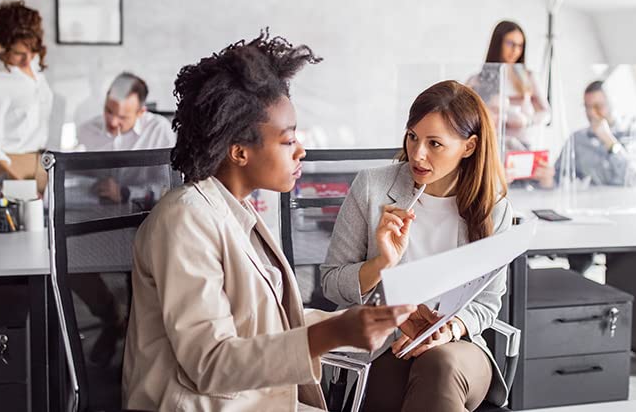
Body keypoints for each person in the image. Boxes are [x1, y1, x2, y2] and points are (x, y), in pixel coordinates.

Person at [122, 31, 416, 411]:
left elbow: (267, 323)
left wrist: (368, 321)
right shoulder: (184, 220)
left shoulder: (234, 209)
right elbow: (209, 364)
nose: (301, 150)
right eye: (287, 140)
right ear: (239, 151)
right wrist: (333, 332)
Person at [321, 80, 514, 411]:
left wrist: (450, 329)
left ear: (468, 147)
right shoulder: (373, 188)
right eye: (413, 137)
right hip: (385, 346)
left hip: (459, 349)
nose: (418, 153)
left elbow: (486, 303)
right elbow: (332, 285)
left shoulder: (493, 207)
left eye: (435, 144)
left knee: (439, 364)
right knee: (424, 376)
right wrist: (382, 262)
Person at [469, 20, 554, 188]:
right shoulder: (477, 80)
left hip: (523, 149)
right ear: (498, 43)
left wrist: (527, 120)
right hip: (492, 151)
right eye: (510, 43)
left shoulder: (528, 77)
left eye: (520, 45)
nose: (515, 50)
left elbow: (546, 113)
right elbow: (468, 117)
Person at [76, 72, 176, 203]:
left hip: (143, 214)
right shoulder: (87, 130)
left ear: (141, 112)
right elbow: (73, 179)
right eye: (108, 111)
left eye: (122, 117)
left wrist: (126, 193)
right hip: (95, 210)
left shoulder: (159, 130)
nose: (112, 122)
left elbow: (168, 187)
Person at [0, 0, 52, 184]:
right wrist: (17, 183)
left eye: (32, 51)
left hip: (43, 164)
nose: (27, 60)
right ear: (3, 46)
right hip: (12, 169)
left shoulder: (36, 69)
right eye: (19, 53)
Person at [555, 80, 636, 187]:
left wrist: (609, 141)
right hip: (595, 201)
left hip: (631, 202)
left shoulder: (635, 132)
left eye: (598, 106)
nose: (591, 113)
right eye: (587, 107)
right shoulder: (577, 140)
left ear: (612, 104)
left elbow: (635, 180)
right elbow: (558, 177)